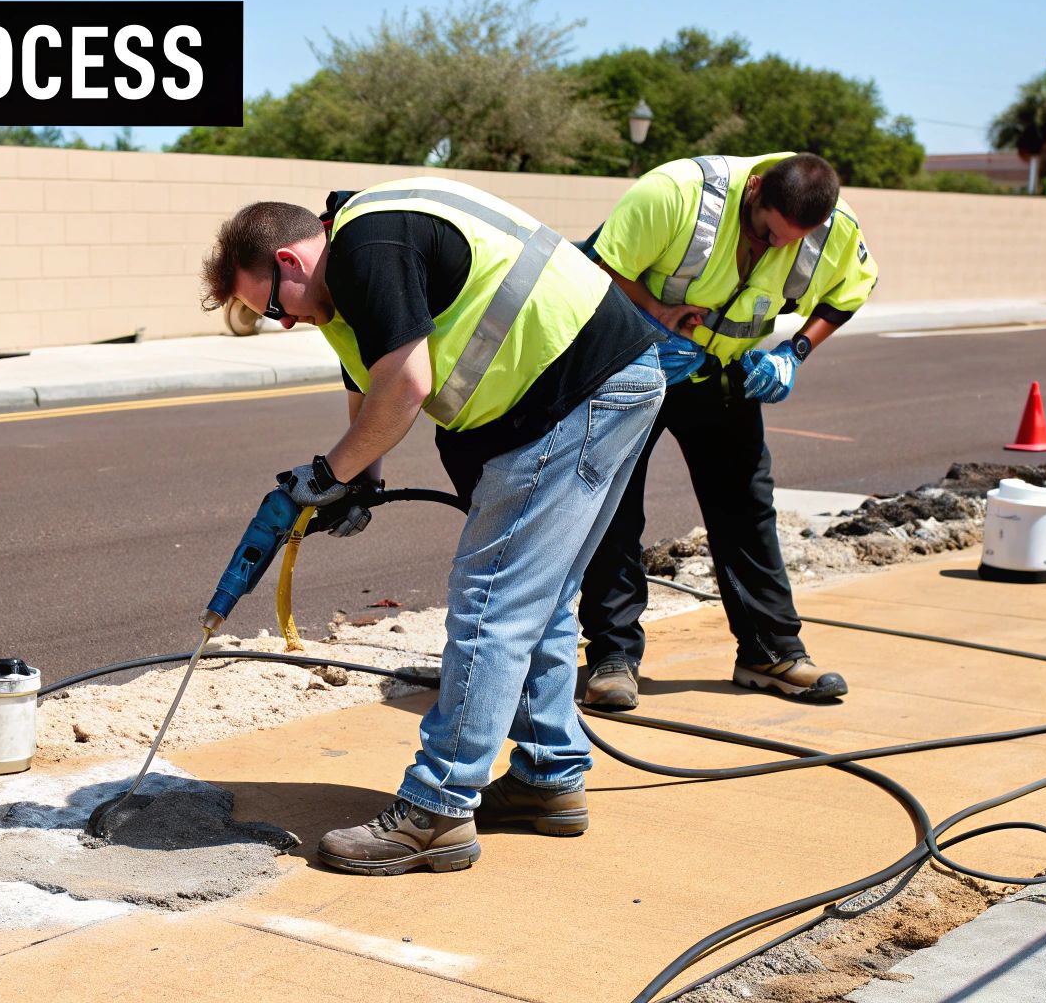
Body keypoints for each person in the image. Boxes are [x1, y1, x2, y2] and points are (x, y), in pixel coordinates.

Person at [201, 176, 666, 875]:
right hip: (602, 383)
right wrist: (364, 474)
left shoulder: (366, 243)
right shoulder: (349, 278)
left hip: (572, 391)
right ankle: (549, 778)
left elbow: (408, 384)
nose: (282, 322)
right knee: (537, 602)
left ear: (290, 262)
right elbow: (371, 385)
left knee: (491, 600)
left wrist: (328, 474)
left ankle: (438, 809)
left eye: (270, 306)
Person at [576, 152, 879, 711]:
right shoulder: (674, 195)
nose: (775, 249)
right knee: (615, 509)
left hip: (721, 374)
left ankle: (770, 650)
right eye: (767, 233)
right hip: (636, 365)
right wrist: (654, 315)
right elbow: (596, 266)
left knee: (745, 507)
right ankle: (612, 658)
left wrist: (795, 351)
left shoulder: (834, 228)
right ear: (755, 189)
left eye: (792, 241)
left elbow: (852, 290)